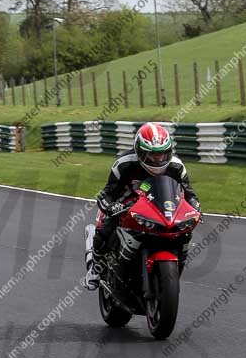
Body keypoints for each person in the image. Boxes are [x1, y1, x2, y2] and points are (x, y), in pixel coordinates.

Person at [85, 122, 201, 291]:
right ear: (140, 151)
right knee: (105, 229)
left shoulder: (176, 166)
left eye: (162, 154)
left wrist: (196, 208)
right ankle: (95, 268)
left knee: (184, 232)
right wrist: (111, 208)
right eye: (152, 155)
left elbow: (190, 194)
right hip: (126, 203)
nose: (158, 159)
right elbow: (106, 194)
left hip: (162, 205)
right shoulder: (124, 164)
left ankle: (173, 269)